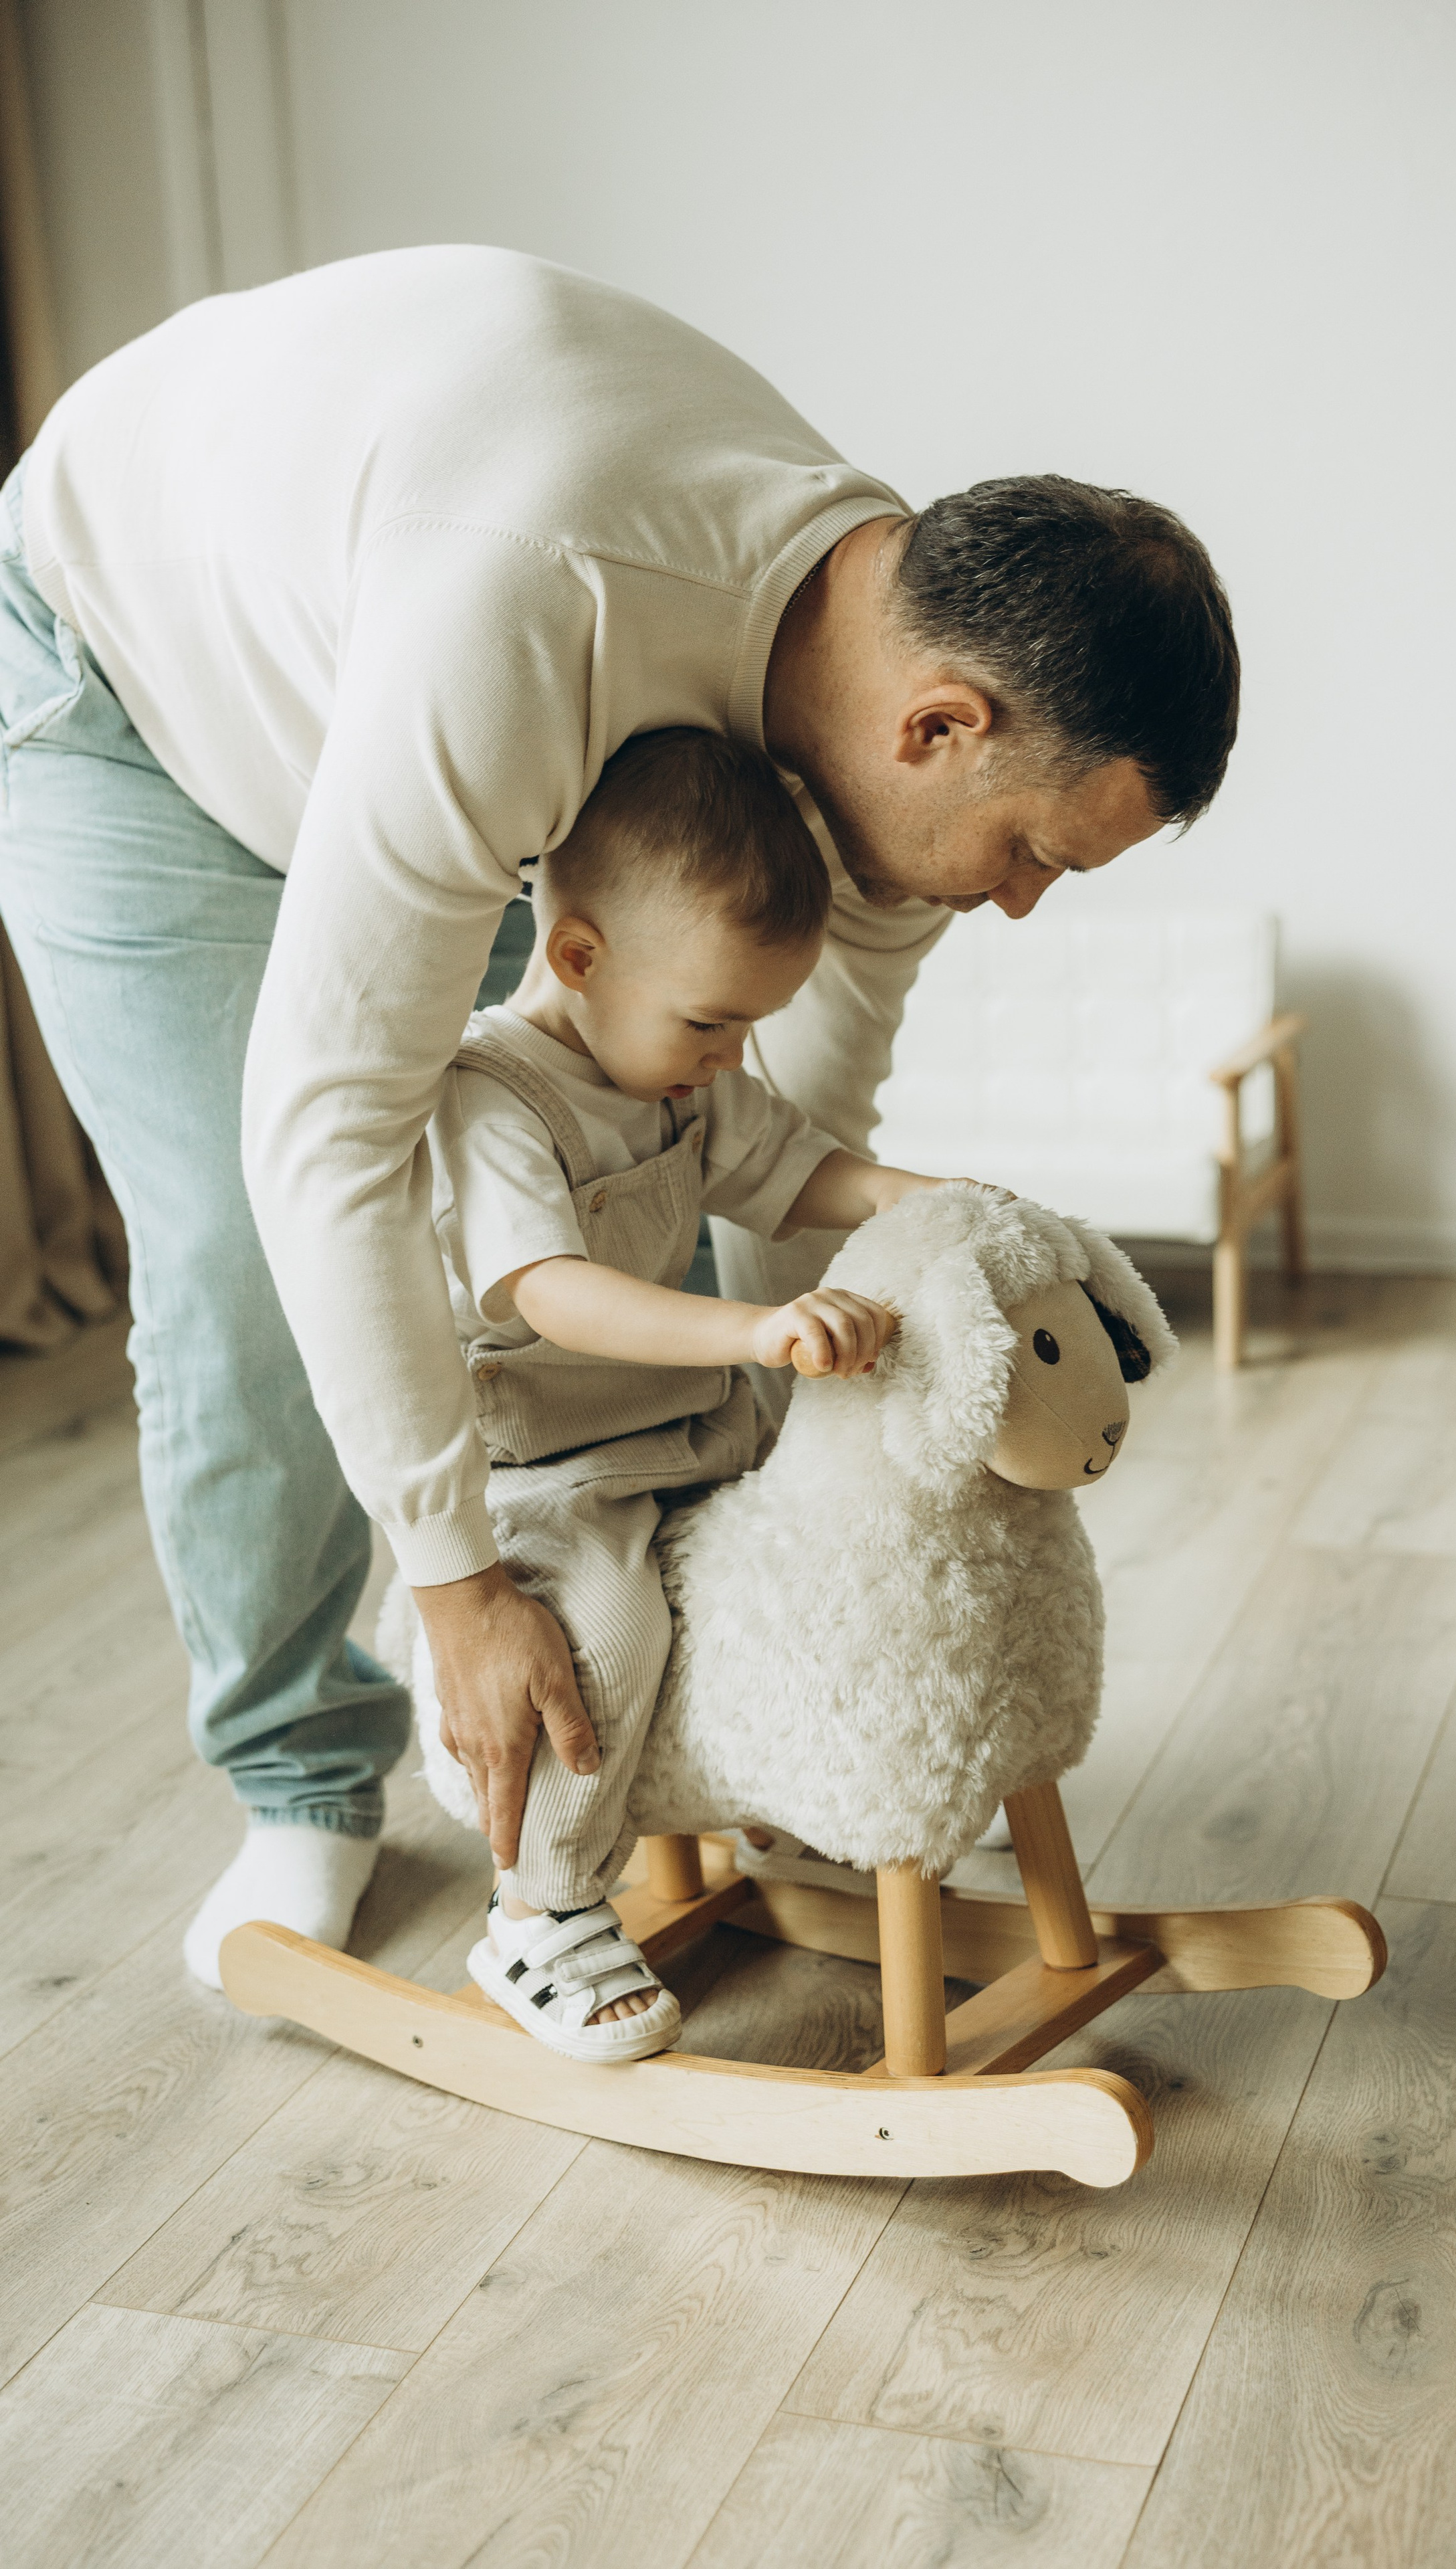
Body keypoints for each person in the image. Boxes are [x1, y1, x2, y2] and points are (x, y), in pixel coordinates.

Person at [0, 246, 1238, 1982]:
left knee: (637, 1107)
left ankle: (682, 1705)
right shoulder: (537, 618)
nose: (1021, 903)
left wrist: (784, 1536)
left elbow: (786, 1123)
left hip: (429, 679)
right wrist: (458, 1583)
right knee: (242, 1253)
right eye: (1033, 851)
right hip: (135, 667)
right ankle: (302, 1780)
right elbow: (333, 1131)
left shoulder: (888, 706)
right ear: (939, 726)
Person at [409, 726, 946, 2061]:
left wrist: (913, 1201)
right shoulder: (493, 1094)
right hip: (548, 1468)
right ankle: (540, 1907)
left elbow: (791, 1168)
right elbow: (552, 1291)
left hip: (686, 1432)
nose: (727, 1053)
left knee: (814, 1558)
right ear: (579, 958)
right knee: (604, 1636)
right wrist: (759, 1323)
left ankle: (788, 1774)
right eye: (709, 1021)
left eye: (750, 1025)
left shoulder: (687, 1071)